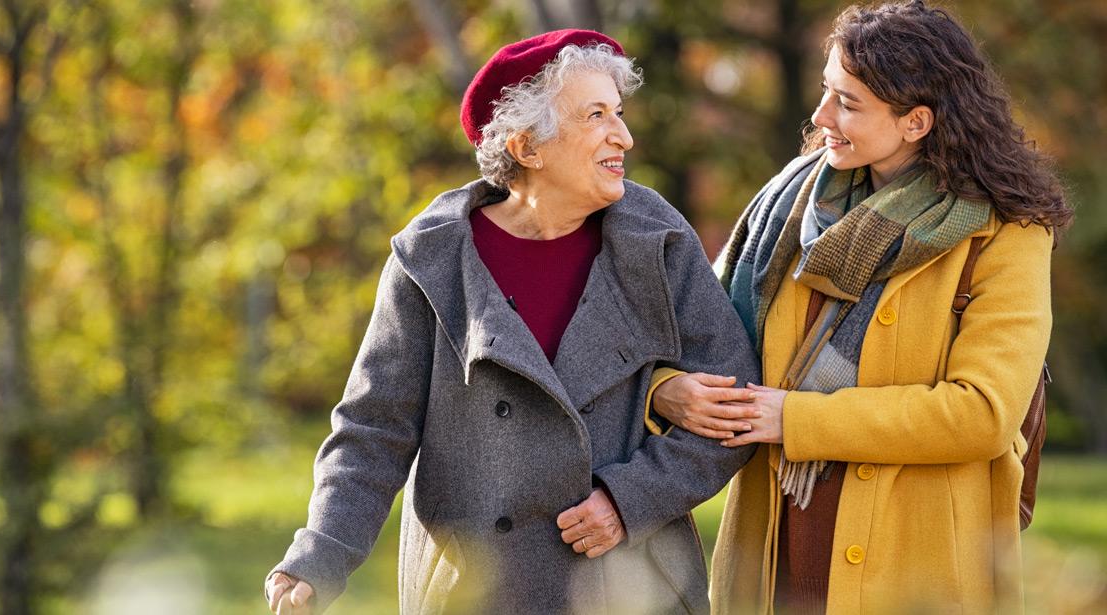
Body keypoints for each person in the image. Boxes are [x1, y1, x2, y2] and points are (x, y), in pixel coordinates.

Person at [264, 30, 761, 614]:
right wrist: (319, 554)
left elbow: (734, 404)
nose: (622, 136)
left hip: (632, 585)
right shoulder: (432, 259)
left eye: (619, 113)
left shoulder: (656, 239)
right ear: (528, 147)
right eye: (596, 115)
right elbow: (374, 430)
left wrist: (630, 500)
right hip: (480, 590)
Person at [648, 1, 1071, 613]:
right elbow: (694, 335)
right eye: (826, 92)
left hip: (915, 562)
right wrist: (667, 388)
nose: (821, 118)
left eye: (848, 103)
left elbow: (983, 412)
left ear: (916, 121)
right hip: (774, 547)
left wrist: (797, 420)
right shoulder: (789, 208)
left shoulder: (1007, 234)